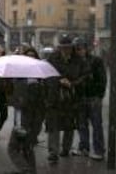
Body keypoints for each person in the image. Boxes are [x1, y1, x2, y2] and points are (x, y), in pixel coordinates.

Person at [45, 35, 86, 164]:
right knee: (53, 126)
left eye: (68, 48)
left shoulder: (79, 60)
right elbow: (47, 74)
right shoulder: (52, 58)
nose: (66, 50)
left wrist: (73, 83)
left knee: (69, 126)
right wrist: (59, 79)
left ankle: (66, 149)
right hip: (54, 97)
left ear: (72, 48)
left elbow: (85, 76)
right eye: (63, 47)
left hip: (71, 98)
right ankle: (53, 152)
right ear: (59, 48)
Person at [6, 47, 46, 174]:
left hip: (28, 121)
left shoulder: (36, 81)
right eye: (27, 57)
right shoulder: (19, 77)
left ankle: (26, 170)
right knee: (27, 149)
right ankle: (30, 171)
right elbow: (12, 99)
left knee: (13, 148)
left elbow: (33, 104)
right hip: (21, 119)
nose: (30, 59)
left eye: (32, 57)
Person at [71, 37, 107, 161]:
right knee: (81, 124)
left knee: (96, 125)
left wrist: (98, 95)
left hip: (93, 97)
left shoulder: (96, 61)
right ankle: (84, 148)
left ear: (86, 48)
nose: (78, 51)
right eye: (76, 49)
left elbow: (102, 79)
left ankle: (99, 150)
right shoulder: (75, 63)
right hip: (81, 97)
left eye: (80, 48)